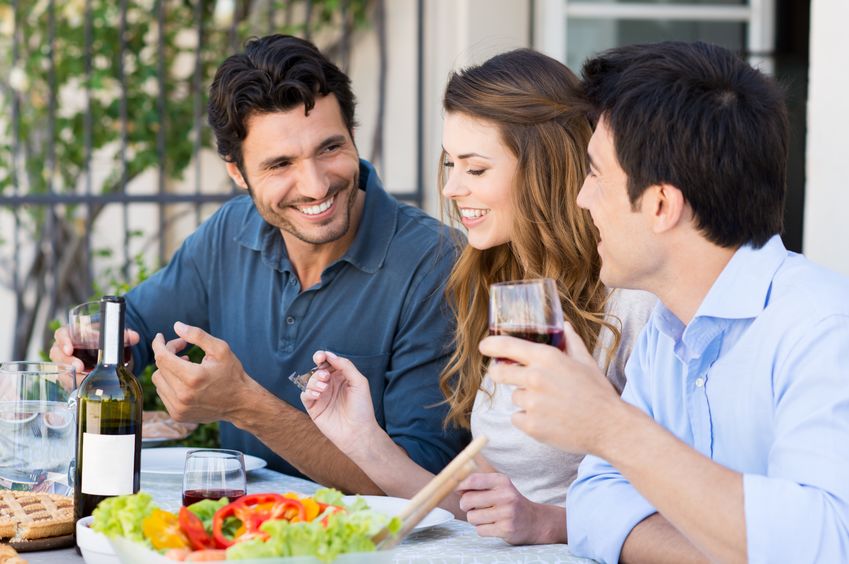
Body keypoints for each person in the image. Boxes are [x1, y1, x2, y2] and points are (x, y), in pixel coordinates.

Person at [482, 40, 849, 564]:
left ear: (659, 205)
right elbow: (595, 504)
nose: (582, 199)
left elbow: (825, 545)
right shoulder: (668, 325)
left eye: (594, 174)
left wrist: (608, 426)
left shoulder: (824, 330)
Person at [49, 34, 468, 492]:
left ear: (352, 135)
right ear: (237, 172)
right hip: (235, 536)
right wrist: (98, 350)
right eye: (280, 164)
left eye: (330, 148)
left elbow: (426, 482)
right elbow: (136, 322)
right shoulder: (230, 231)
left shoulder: (435, 262)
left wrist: (244, 405)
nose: (314, 186)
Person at [300, 49, 654, 544]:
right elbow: (472, 508)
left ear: (543, 169)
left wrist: (551, 524)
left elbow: (678, 508)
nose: (450, 187)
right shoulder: (504, 284)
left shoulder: (631, 302)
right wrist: (361, 438)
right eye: (450, 163)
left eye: (476, 169)